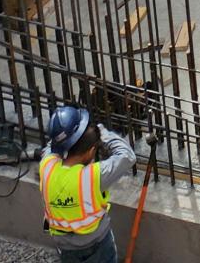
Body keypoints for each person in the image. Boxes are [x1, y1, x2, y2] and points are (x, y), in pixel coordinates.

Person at [38, 106, 135, 262]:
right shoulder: (93, 176)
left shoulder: (46, 166)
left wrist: (70, 131)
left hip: (65, 247)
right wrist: (102, 132)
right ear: (91, 151)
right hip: (98, 245)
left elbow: (53, 144)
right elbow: (127, 156)